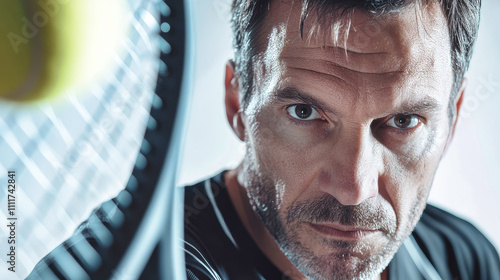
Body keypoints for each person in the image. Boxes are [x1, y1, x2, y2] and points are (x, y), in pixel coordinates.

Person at [183, 0, 500, 279]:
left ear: (452, 119)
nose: (354, 190)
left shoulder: (465, 261)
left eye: (403, 121)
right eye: (304, 112)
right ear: (237, 103)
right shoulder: (149, 259)